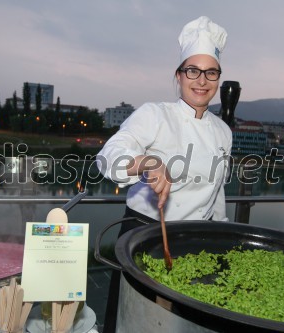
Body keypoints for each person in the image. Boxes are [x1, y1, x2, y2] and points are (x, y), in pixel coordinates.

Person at [96, 16, 232, 332]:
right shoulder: (155, 114)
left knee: (183, 323)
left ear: (218, 78)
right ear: (179, 75)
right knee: (138, 320)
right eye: (193, 71)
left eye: (211, 72)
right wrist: (147, 162)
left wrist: (223, 236)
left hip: (196, 240)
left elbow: (217, 192)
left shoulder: (223, 131)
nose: (202, 80)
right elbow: (107, 159)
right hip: (144, 235)